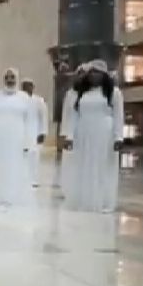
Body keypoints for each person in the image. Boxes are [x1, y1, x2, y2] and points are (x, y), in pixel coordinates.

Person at [63, 60, 124, 213]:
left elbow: (118, 116)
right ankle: (85, 199)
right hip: (84, 133)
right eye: (91, 72)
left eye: (97, 72)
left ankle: (103, 201)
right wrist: (69, 135)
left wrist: (118, 137)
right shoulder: (81, 93)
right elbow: (74, 116)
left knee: (103, 166)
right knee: (84, 165)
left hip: (104, 133)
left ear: (104, 75)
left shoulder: (114, 93)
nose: (94, 76)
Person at [0, 68, 34, 206]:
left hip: (17, 137)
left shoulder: (24, 98)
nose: (10, 80)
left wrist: (29, 141)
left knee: (15, 166)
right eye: (7, 77)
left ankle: (13, 195)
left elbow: (30, 121)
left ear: (17, 79)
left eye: (12, 77)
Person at [59, 64, 89, 197]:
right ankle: (68, 189)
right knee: (70, 162)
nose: (81, 76)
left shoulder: (90, 94)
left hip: (86, 132)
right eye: (79, 73)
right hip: (70, 132)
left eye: (84, 74)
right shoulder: (70, 94)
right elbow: (66, 115)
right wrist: (64, 134)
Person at [21, 78, 49, 188]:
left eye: (29, 85)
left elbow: (43, 117)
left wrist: (43, 132)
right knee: (22, 156)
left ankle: (33, 179)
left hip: (35, 132)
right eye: (25, 86)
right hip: (22, 132)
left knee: (34, 156)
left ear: (33, 87)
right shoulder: (19, 99)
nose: (27, 88)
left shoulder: (39, 101)